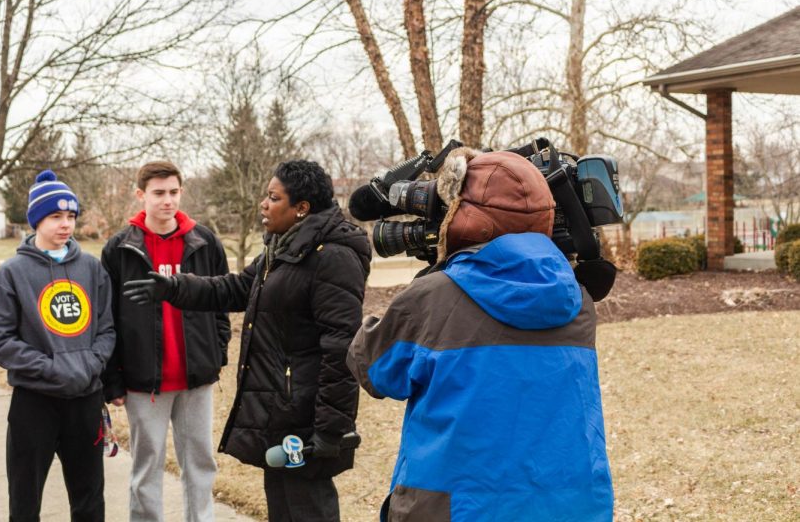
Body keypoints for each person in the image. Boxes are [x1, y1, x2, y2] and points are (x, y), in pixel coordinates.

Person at [346, 149, 614, 521]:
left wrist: (436, 270)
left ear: (462, 218)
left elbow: (372, 369)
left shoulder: (432, 297)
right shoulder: (577, 299)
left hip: (455, 509)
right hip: (569, 507)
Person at [124, 160, 371, 522]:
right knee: (282, 508)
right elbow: (240, 288)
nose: (263, 204)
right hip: (278, 409)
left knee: (308, 508)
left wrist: (330, 429)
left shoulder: (332, 257)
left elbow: (341, 349)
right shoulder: (282, 247)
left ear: (301, 208)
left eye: (274, 197)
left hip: (308, 416)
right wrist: (174, 287)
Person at [100, 161, 230, 522]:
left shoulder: (204, 242)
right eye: (158, 193)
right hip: (144, 383)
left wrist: (217, 353)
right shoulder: (119, 248)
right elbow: (107, 317)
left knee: (201, 463)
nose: (167, 201)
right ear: (141, 195)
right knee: (147, 467)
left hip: (196, 379)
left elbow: (221, 300)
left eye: (173, 192)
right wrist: (113, 378)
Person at [0, 170, 116, 522]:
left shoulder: (91, 268)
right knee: (25, 502)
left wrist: (88, 366)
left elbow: (106, 330)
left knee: (90, 501)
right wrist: (53, 368)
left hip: (85, 399)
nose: (66, 224)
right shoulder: (11, 272)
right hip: (34, 402)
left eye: (71, 216)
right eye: (55, 216)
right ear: (35, 220)